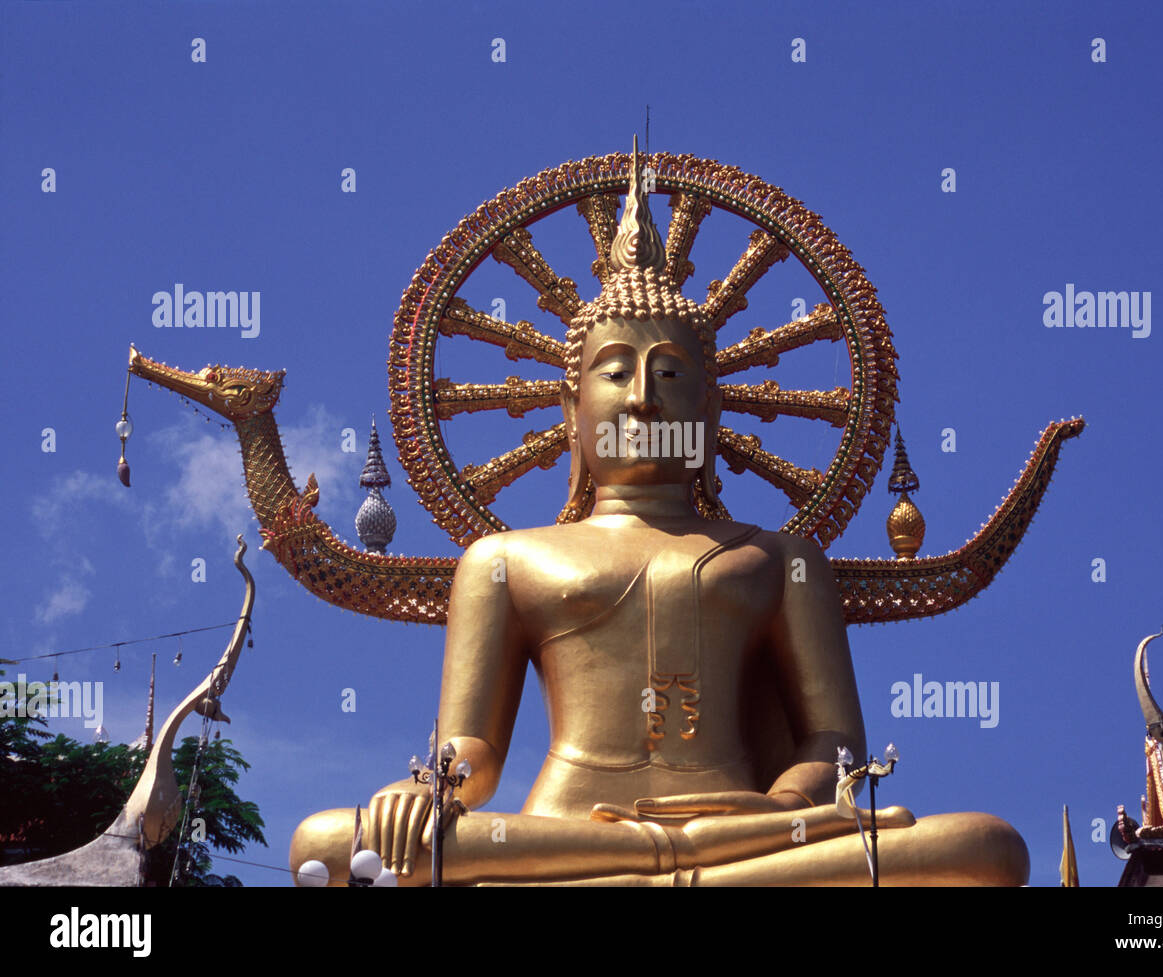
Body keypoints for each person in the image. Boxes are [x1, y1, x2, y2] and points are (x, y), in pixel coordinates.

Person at [290, 144, 1029, 886]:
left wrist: (779, 807)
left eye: (671, 373)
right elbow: (471, 754)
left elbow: (834, 744)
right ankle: (663, 861)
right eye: (615, 371)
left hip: (749, 834)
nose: (642, 395)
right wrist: (426, 791)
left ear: (710, 406)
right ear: (569, 409)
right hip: (561, 836)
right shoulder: (506, 559)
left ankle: (673, 860)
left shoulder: (780, 558)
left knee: (985, 846)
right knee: (323, 843)